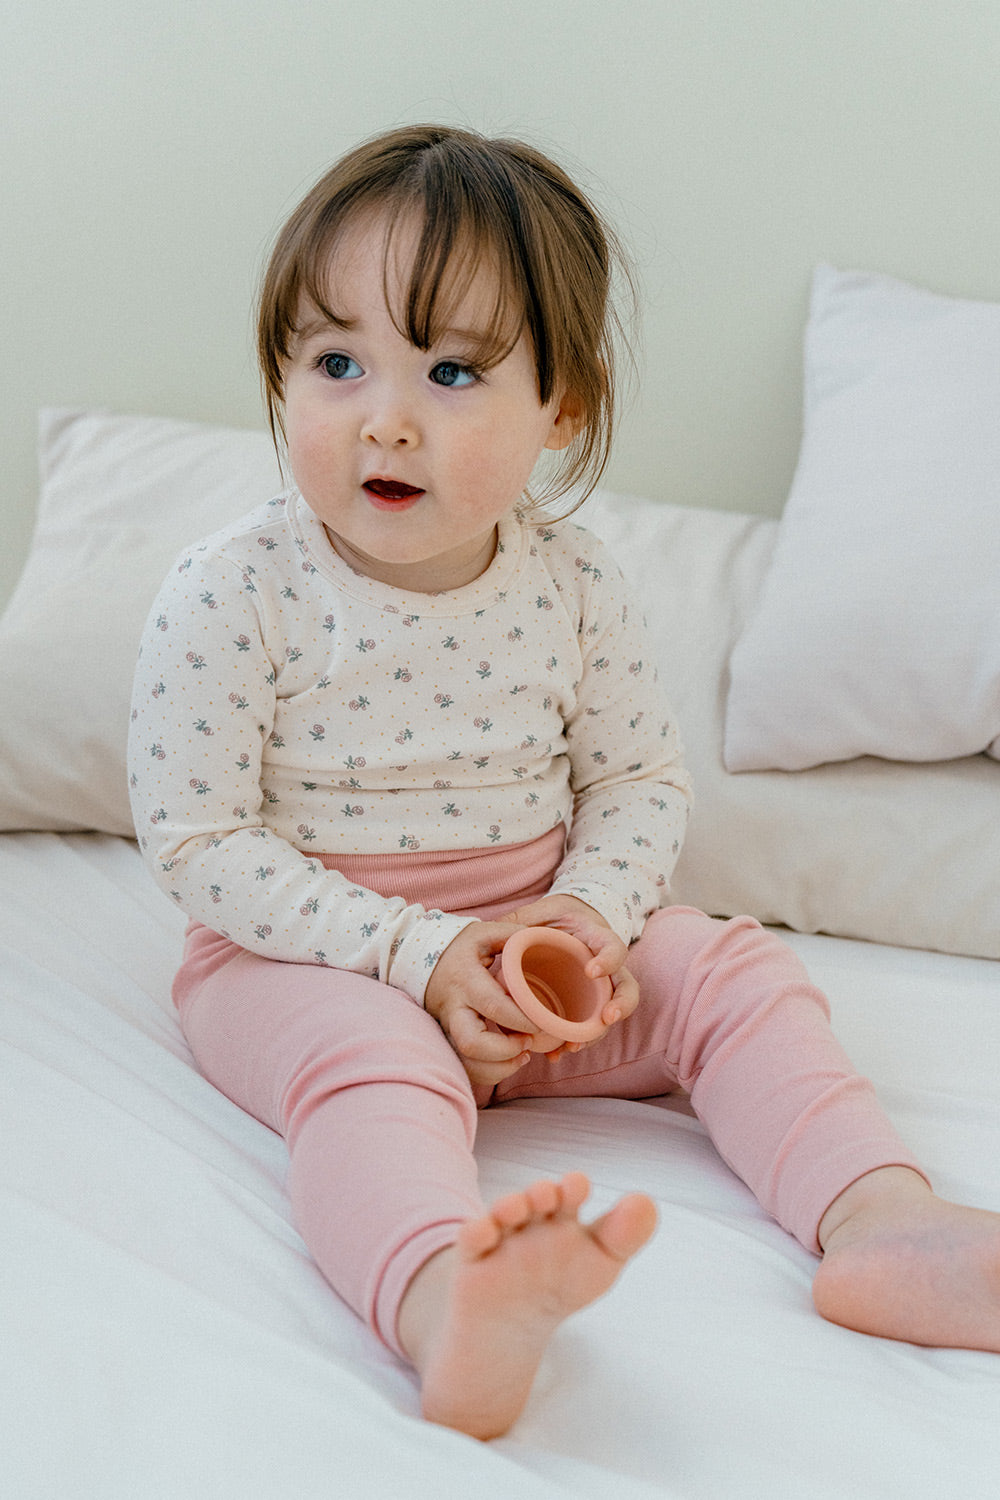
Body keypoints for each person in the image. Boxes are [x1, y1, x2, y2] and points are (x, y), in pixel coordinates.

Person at [128, 124, 1000, 1441]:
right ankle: (443, 1303)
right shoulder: (233, 588)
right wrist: (420, 957)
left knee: (732, 972)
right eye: (336, 360)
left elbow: (638, 782)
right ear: (283, 375)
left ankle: (881, 1220)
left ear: (564, 408)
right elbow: (198, 843)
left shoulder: (576, 581)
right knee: (373, 1074)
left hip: (539, 952)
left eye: (455, 369)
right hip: (307, 958)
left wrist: (583, 926)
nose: (386, 415)